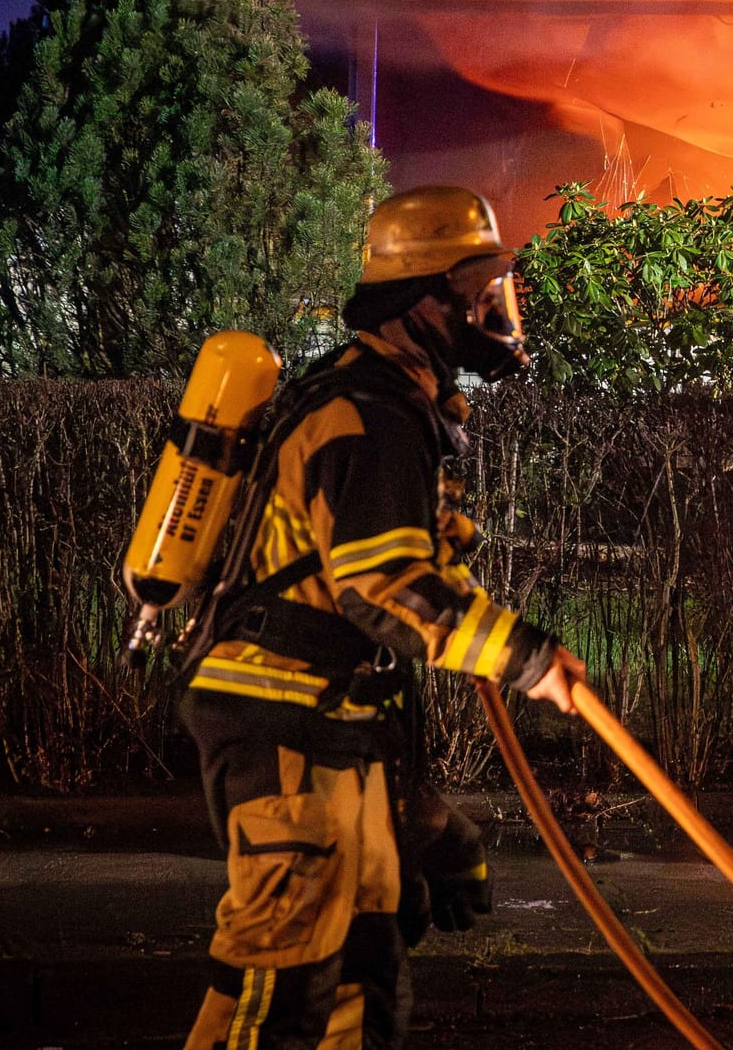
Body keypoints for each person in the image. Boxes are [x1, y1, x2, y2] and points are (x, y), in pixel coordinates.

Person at [178, 185, 586, 1050]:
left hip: (330, 723)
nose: (493, 311)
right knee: (279, 982)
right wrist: (527, 660)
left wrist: (429, 824)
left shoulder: (397, 404)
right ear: (417, 302)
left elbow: (385, 613)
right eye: (475, 292)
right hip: (279, 722)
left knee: (362, 972)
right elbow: (386, 588)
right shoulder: (364, 416)